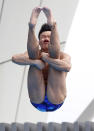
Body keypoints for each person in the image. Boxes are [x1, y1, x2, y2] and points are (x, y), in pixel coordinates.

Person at [12, 6, 71, 112]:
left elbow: (67, 67)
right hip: (37, 98)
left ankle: (53, 25)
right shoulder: (37, 54)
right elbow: (15, 58)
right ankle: (31, 27)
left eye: (49, 37)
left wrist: (47, 59)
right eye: (43, 37)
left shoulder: (63, 55)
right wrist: (35, 62)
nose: (46, 39)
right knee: (33, 57)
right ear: (38, 41)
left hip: (55, 98)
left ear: (54, 39)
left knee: (55, 57)